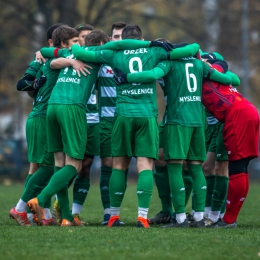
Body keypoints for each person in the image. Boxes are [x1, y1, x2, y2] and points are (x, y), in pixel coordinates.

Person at [71, 24, 201, 228]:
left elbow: (78, 51)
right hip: (147, 115)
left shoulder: (113, 52)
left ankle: (113, 216)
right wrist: (157, 43)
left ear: (123, 38)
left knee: (119, 165)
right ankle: (142, 216)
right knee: (145, 165)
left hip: (122, 114)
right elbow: (192, 48)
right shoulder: (154, 50)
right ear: (141, 38)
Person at [113, 52, 232, 227]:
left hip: (178, 119)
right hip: (195, 120)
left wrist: (126, 77)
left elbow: (152, 74)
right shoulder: (197, 64)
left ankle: (181, 218)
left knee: (177, 165)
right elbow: (231, 78)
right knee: (189, 165)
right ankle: (194, 216)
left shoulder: (169, 64)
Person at [27, 28, 109, 227]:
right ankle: (39, 199)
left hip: (52, 107)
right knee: (75, 165)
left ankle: (66, 217)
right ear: (99, 45)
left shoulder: (68, 51)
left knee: (59, 164)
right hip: (72, 108)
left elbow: (48, 55)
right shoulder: (97, 55)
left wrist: (44, 54)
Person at [9, 23, 81, 226]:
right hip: (41, 117)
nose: (78, 44)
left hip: (39, 116)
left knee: (42, 168)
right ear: (62, 43)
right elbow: (22, 84)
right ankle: (21, 208)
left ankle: (44, 214)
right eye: (75, 41)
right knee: (47, 168)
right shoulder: (55, 60)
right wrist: (34, 85)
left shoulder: (48, 58)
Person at [200, 62, 259, 227]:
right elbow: (221, 65)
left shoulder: (200, 70)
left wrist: (207, 66)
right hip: (246, 110)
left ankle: (229, 219)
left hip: (237, 114)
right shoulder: (205, 71)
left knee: (236, 168)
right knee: (241, 168)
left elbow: (221, 64)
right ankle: (230, 217)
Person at [97, 21, 126, 225]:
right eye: (115, 37)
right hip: (107, 120)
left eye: (122, 37)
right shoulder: (102, 61)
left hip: (132, 118)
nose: (119, 40)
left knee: (141, 164)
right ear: (109, 40)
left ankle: (148, 213)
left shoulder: (140, 59)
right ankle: (109, 213)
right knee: (108, 164)